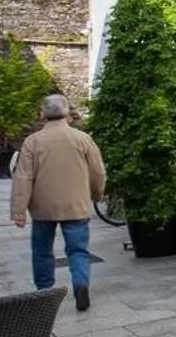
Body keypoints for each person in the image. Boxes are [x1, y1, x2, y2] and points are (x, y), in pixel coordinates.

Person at [10, 93, 108, 312]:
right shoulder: (82, 139)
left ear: (42, 114)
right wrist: (96, 194)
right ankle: (81, 284)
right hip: (76, 205)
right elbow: (98, 172)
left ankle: (45, 293)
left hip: (43, 208)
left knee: (42, 251)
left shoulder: (33, 142)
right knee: (78, 251)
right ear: (69, 115)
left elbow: (23, 177)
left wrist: (19, 210)